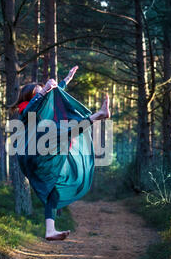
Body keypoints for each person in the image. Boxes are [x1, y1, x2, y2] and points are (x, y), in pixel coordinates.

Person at [14, 66, 110, 241]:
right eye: (36, 93)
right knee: (66, 131)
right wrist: (43, 91)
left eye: (41, 93)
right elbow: (33, 107)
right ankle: (99, 115)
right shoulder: (26, 109)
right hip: (32, 153)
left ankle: (50, 230)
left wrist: (65, 80)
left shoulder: (42, 107)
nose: (41, 95)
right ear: (30, 96)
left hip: (43, 153)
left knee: (54, 192)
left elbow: (53, 96)